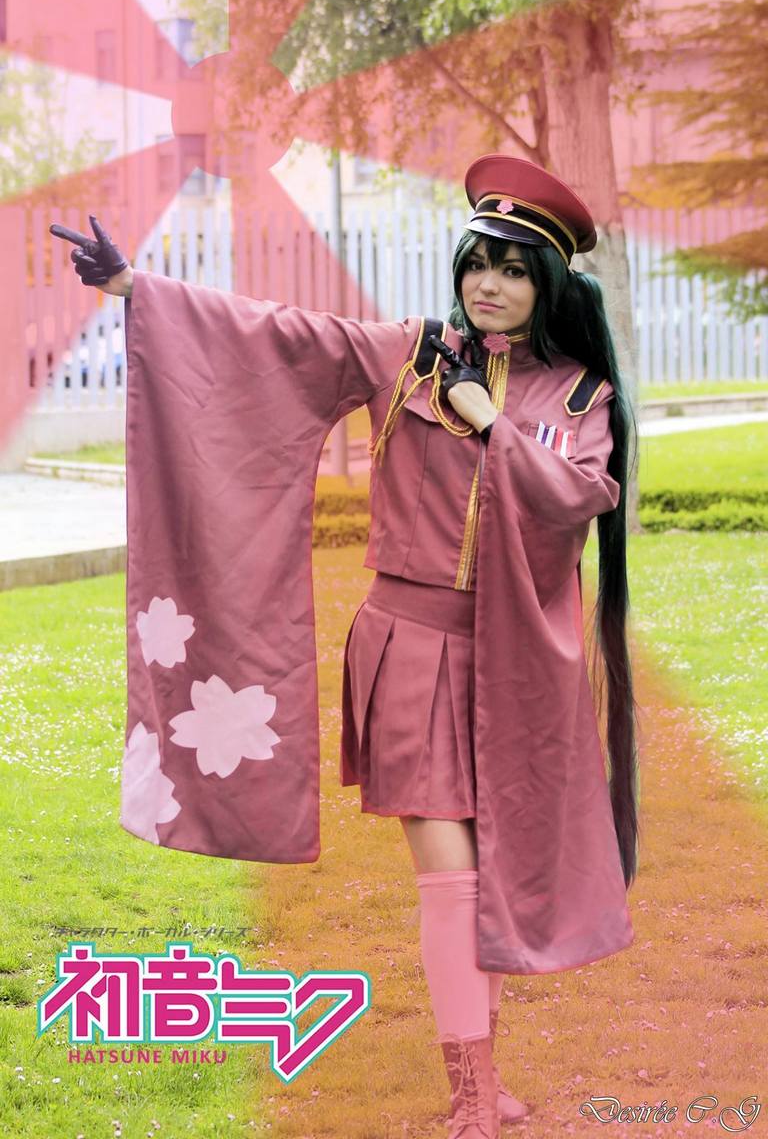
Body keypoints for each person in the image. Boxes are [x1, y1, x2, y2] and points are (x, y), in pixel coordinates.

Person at [50, 154, 640, 1139]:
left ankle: (487, 1085)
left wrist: (490, 422)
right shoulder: (409, 352)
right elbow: (276, 339)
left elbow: (577, 496)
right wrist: (131, 287)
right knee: (450, 875)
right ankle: (474, 1096)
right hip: (408, 644)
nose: (488, 286)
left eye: (514, 269)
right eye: (477, 264)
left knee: (492, 874)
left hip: (517, 666)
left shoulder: (580, 400)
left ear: (550, 285)